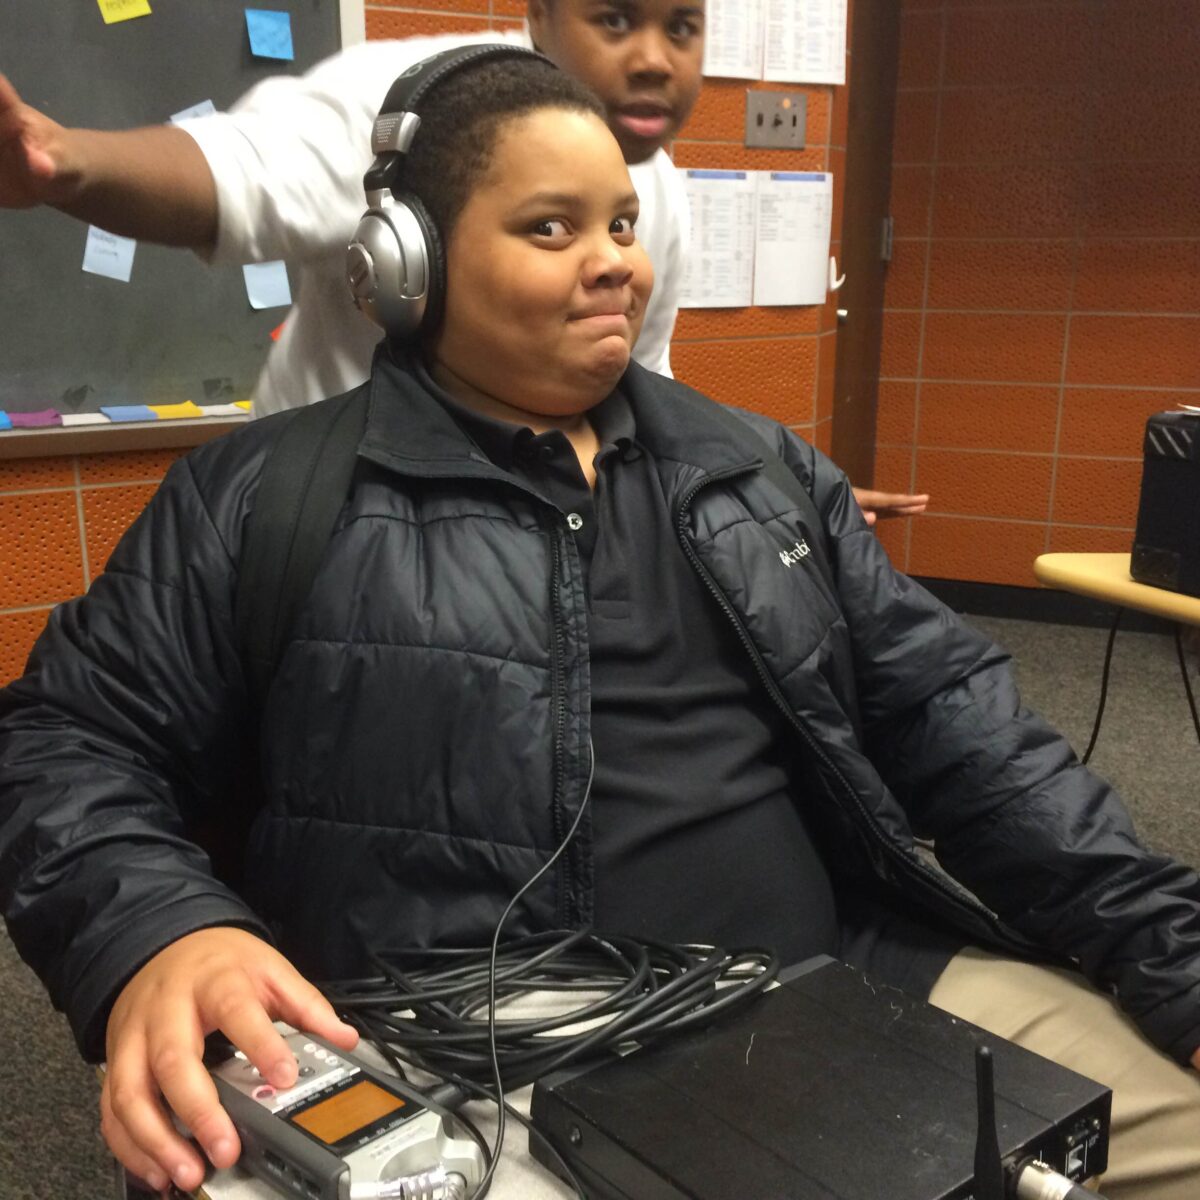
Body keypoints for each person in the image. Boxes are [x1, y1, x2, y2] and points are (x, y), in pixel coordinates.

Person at [3, 47, 1197, 1200]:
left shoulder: (760, 471)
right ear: (407, 265)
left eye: (621, 225)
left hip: (841, 971)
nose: (612, 264)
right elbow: (63, 742)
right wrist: (162, 933)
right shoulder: (265, 495)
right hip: (480, 1046)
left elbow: (964, 730)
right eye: (550, 229)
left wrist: (1172, 955)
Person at [0, 0, 926, 526]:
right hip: (342, 521)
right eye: (614, 17)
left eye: (681, 26)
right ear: (539, 17)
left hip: (516, 537)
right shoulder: (409, 108)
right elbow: (236, 174)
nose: (654, 60)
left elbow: (640, 383)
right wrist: (63, 162)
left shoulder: (657, 189)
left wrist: (783, 490)